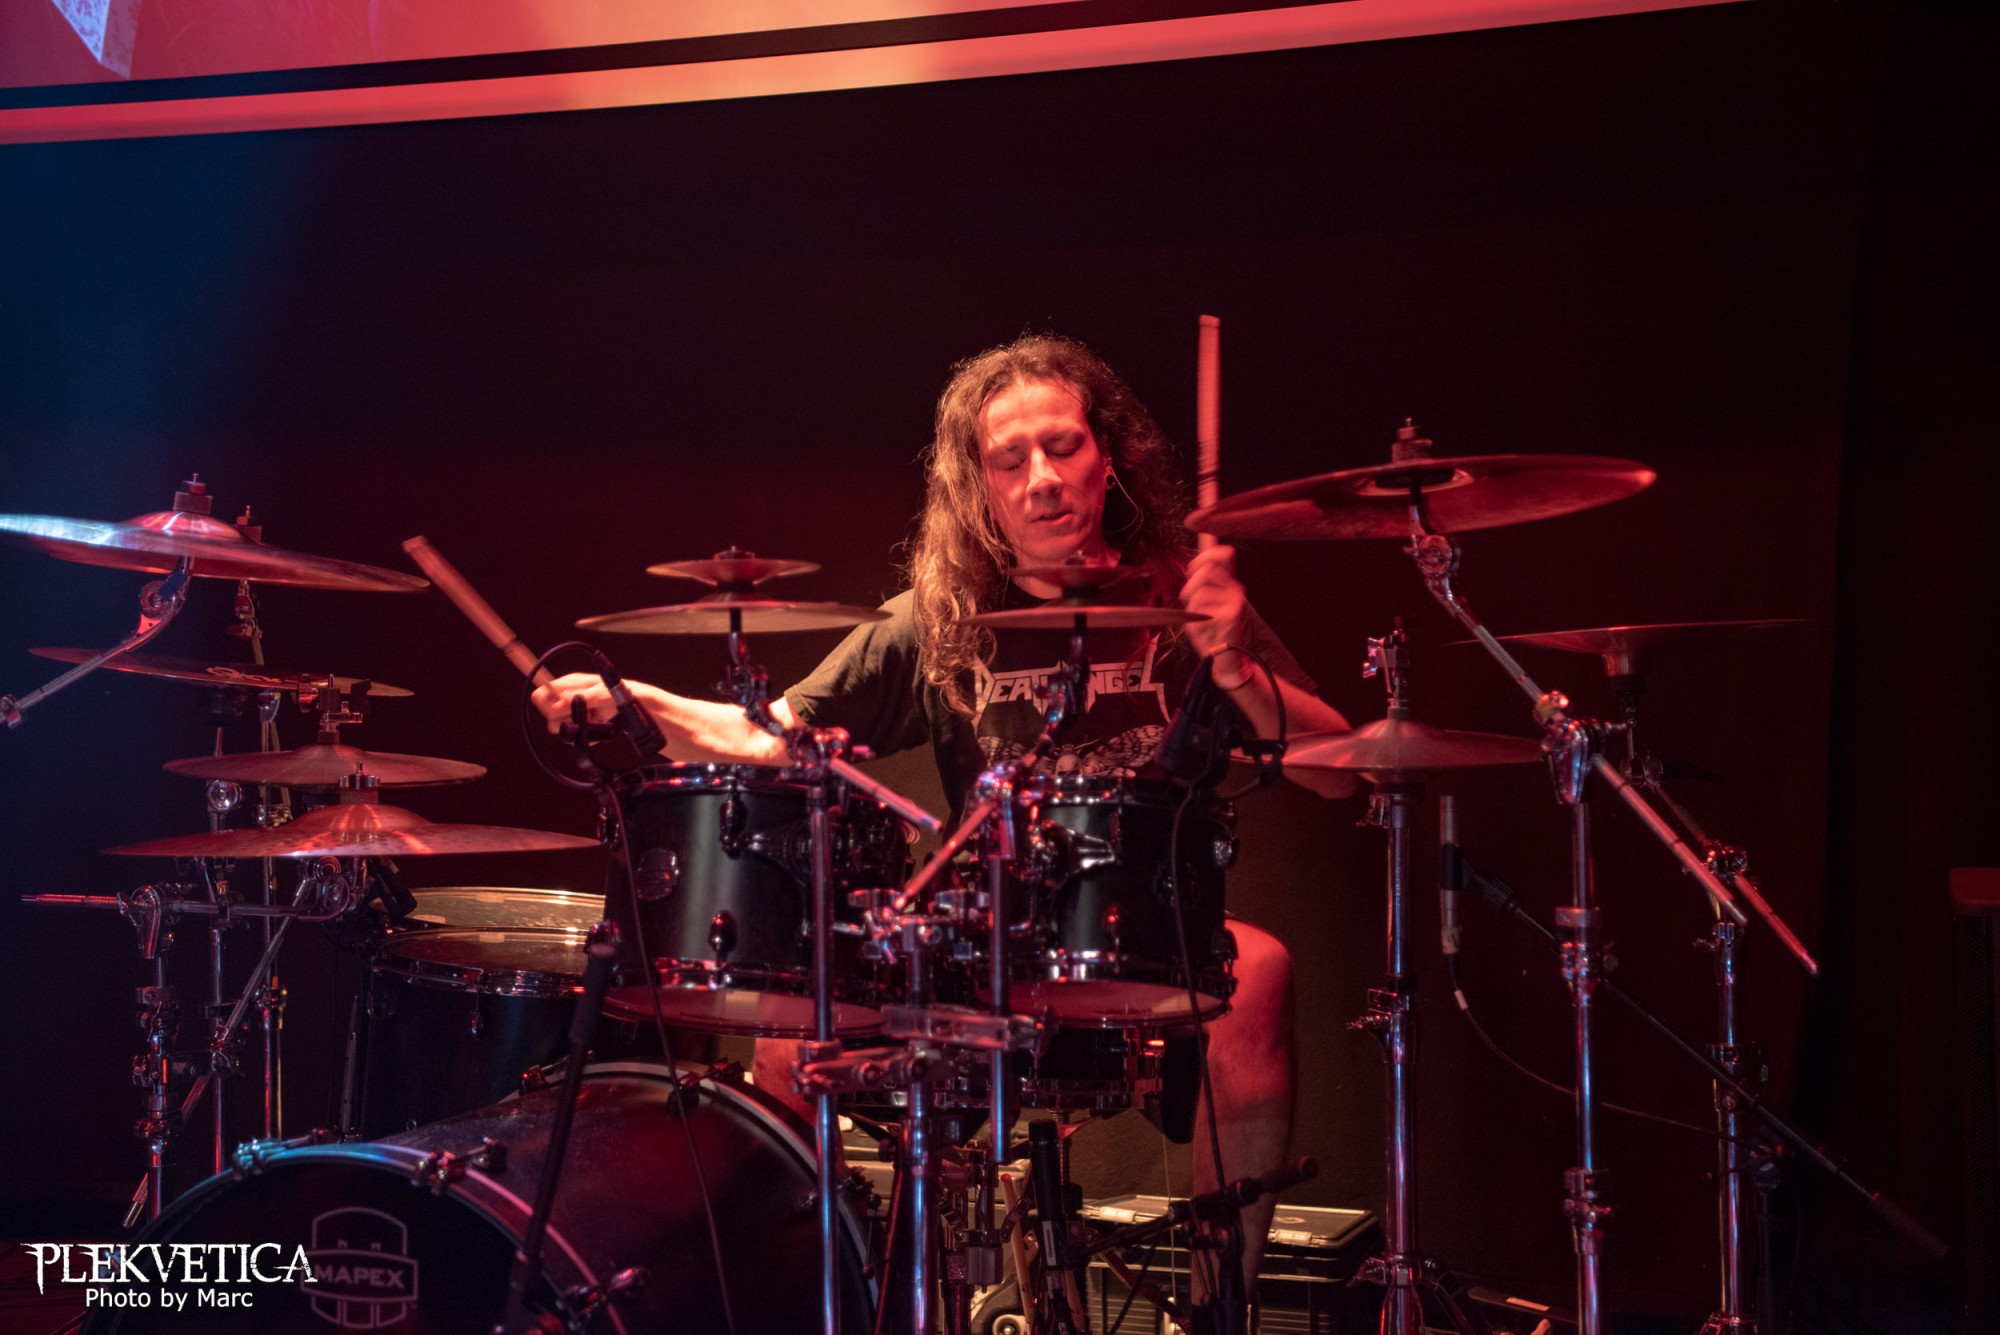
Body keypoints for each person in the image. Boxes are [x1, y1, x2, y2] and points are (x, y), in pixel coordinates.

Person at [533, 333, 1353, 1315]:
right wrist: (640, 705)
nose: (1041, 479)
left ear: (1107, 459)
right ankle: (806, 1301)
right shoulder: (941, 618)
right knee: (791, 1022)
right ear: (979, 487)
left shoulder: (1188, 600)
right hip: (981, 937)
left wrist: (1234, 667)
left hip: (1151, 930)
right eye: (1009, 460)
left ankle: (1220, 1311)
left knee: (1260, 970)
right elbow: (775, 736)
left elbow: (1339, 771)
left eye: (1062, 447)